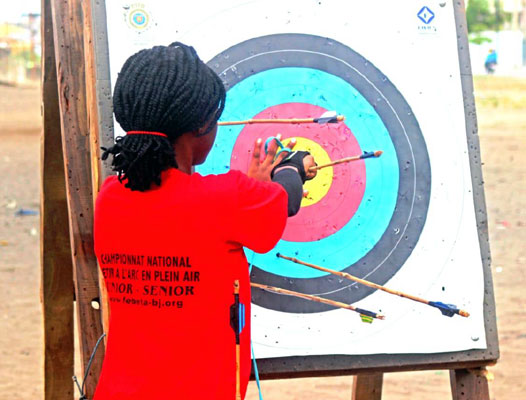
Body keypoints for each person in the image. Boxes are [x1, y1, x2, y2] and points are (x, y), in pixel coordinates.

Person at [93, 42, 316, 399]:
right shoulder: (228, 200)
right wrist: (292, 167)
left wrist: (252, 191)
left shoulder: (110, 197)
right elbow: (285, 199)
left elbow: (184, 215)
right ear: (201, 127)